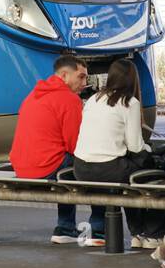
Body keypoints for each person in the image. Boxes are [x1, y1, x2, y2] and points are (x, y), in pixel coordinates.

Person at [9, 54, 106, 246]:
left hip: (22, 167)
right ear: (64, 75)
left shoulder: (34, 94)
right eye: (81, 77)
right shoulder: (69, 99)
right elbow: (75, 144)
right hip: (46, 167)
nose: (84, 83)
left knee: (66, 165)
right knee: (98, 168)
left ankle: (65, 228)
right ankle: (98, 229)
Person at [72, 58, 165, 249]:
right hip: (109, 169)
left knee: (130, 177)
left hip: (81, 168)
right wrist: (150, 151)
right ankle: (152, 234)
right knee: (156, 176)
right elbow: (135, 146)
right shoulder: (129, 102)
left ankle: (137, 234)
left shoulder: (93, 99)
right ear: (133, 79)